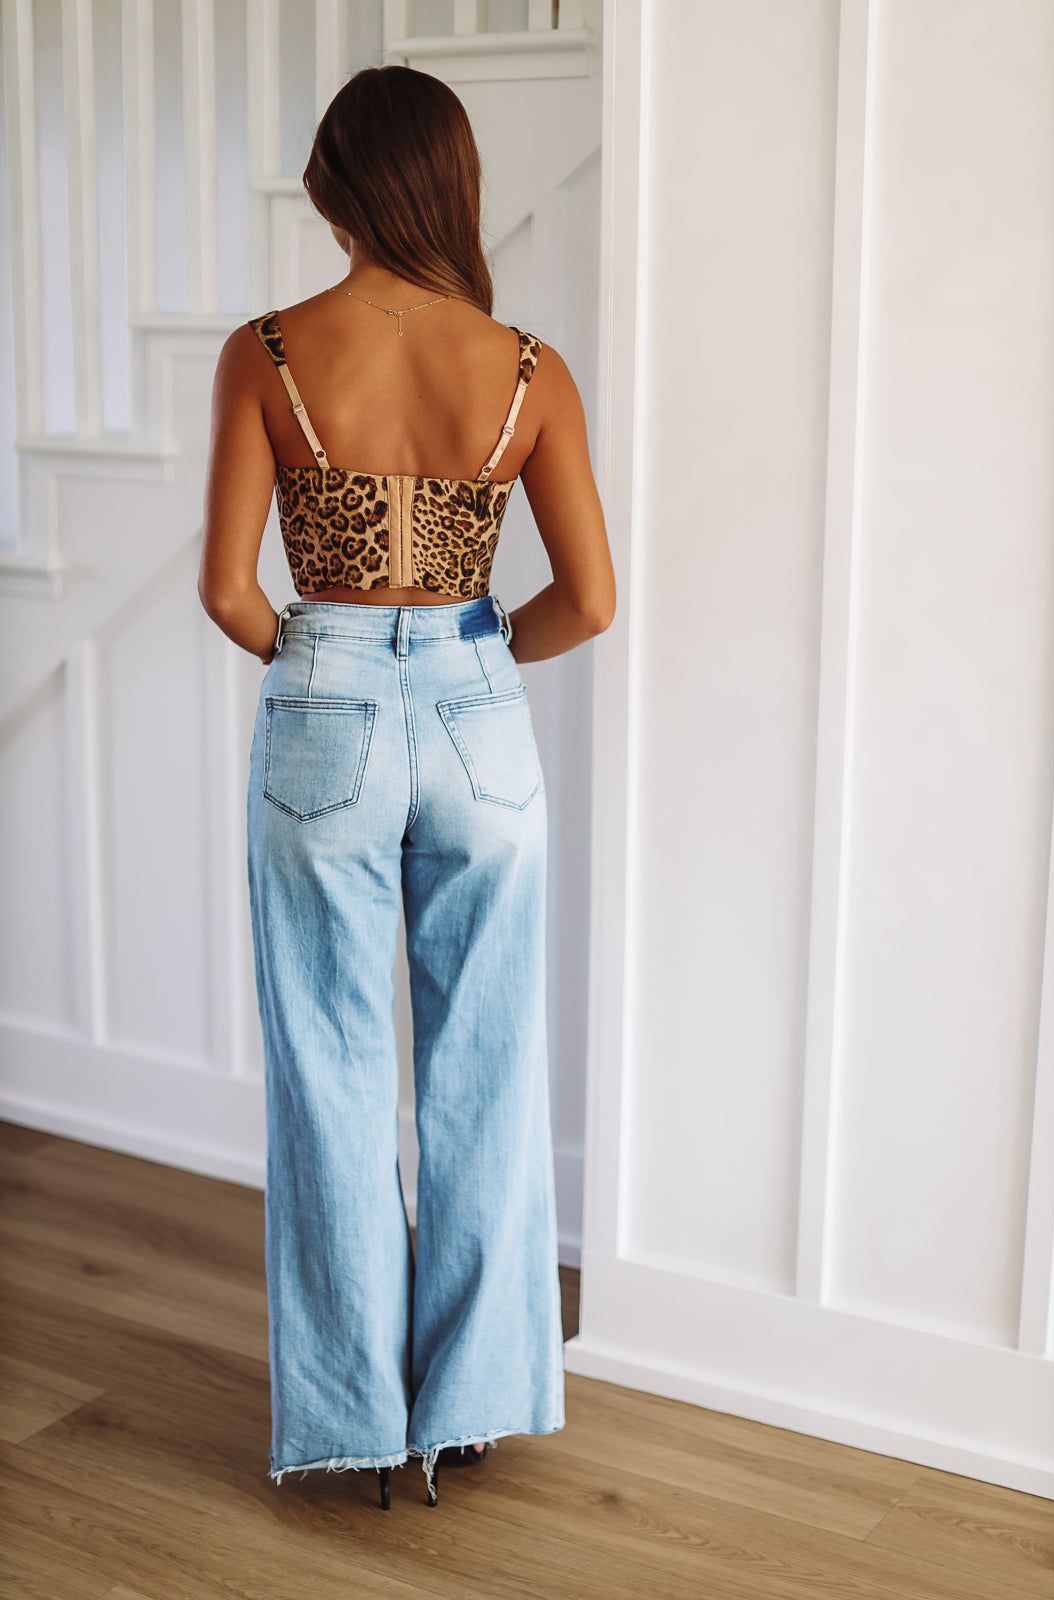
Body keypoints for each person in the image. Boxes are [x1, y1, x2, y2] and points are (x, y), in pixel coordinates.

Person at [198, 62, 614, 1511]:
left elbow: (229, 593)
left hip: (325, 709)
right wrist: (470, 660)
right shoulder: (527, 371)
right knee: (486, 1069)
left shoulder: (268, 353)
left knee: (330, 1070)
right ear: (451, 185)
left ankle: (356, 1416)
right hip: (480, 716)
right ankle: (472, 1405)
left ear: (338, 190)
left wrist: (327, 663)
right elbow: (590, 601)